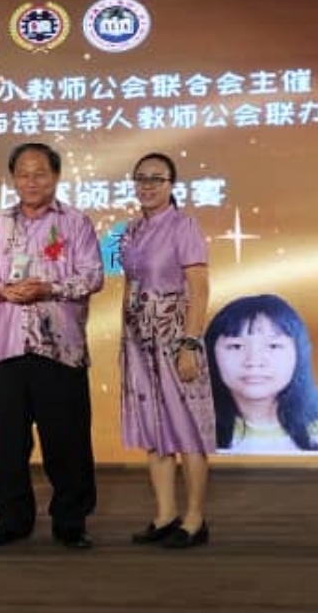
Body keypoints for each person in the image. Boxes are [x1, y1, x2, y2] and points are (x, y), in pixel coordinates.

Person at [0, 142, 103, 550]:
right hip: (8, 347)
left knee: (67, 440)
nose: (31, 181)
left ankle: (71, 521)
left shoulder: (76, 223)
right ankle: (11, 519)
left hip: (60, 349)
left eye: (40, 173)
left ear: (56, 176)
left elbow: (92, 277)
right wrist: (2, 290)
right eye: (23, 174)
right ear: (13, 179)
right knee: (7, 441)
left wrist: (48, 287)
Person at [119, 152, 215, 550]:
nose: (147, 185)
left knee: (187, 428)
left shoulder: (183, 226)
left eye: (156, 179)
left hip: (175, 337)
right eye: (141, 178)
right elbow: (129, 284)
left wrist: (190, 343)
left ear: (172, 184)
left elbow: (199, 287)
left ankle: (194, 519)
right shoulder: (132, 229)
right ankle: (164, 515)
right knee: (153, 429)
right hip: (138, 342)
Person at [206, 294, 318, 455]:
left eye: (274, 346)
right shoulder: (193, 430)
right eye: (236, 346)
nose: (254, 361)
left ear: (299, 354)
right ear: (210, 353)